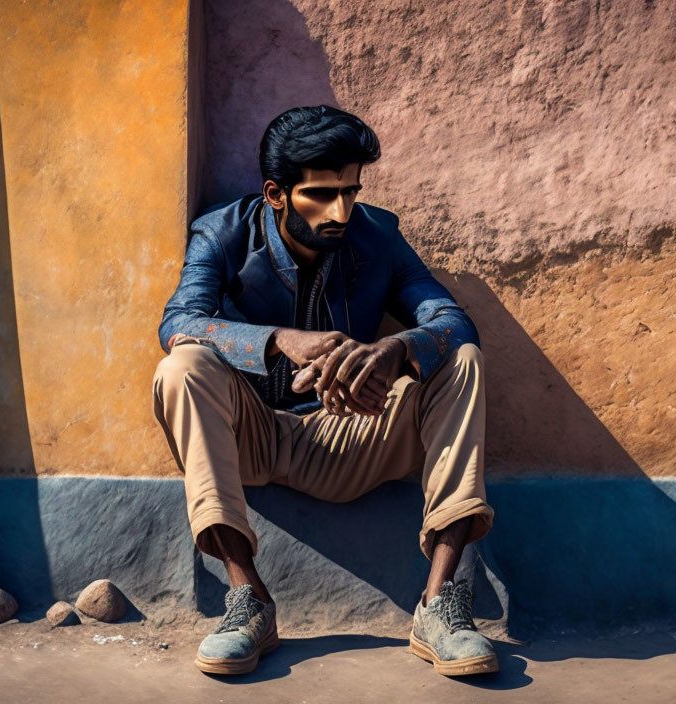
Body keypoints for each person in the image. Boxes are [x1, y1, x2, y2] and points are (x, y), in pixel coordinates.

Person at [152, 105, 497, 677]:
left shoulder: (378, 236)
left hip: (353, 430)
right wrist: (280, 341)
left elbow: (451, 319)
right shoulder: (223, 232)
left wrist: (395, 350)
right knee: (182, 366)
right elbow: (178, 321)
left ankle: (439, 605)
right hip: (251, 434)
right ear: (276, 193)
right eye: (321, 194)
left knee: (462, 360)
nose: (341, 210)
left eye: (350, 191)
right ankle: (248, 602)